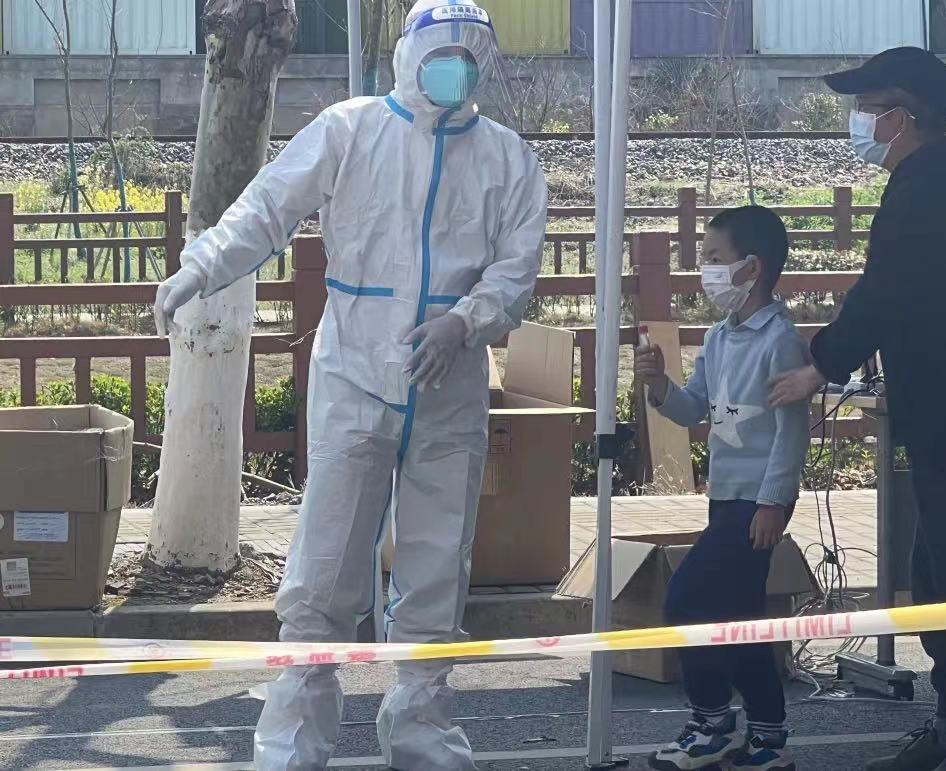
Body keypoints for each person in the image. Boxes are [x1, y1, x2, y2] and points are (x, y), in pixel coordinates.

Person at [152, 1, 547, 768]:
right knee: (324, 566)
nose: (455, 70)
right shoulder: (351, 129)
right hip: (355, 373)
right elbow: (268, 207)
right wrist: (200, 267)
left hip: (450, 381)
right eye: (442, 56)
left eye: (468, 59)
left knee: (437, 568)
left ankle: (424, 730)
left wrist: (464, 321)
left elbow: (516, 267)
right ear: (409, 55)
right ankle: (294, 743)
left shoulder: (508, 159)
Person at [767, 48, 946, 771]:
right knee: (941, 571)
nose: (858, 122)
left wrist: (821, 364)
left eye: (867, 108)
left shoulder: (928, 185)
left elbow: (886, 290)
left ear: (903, 116)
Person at [637, 206, 810, 771]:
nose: (704, 271)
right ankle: (767, 738)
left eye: (714, 258)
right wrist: (659, 384)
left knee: (687, 600)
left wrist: (773, 502)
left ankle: (712, 723)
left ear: (751, 267)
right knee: (738, 616)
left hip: (757, 501)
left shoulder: (780, 340)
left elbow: (791, 431)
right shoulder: (717, 336)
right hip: (725, 495)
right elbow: (694, 409)